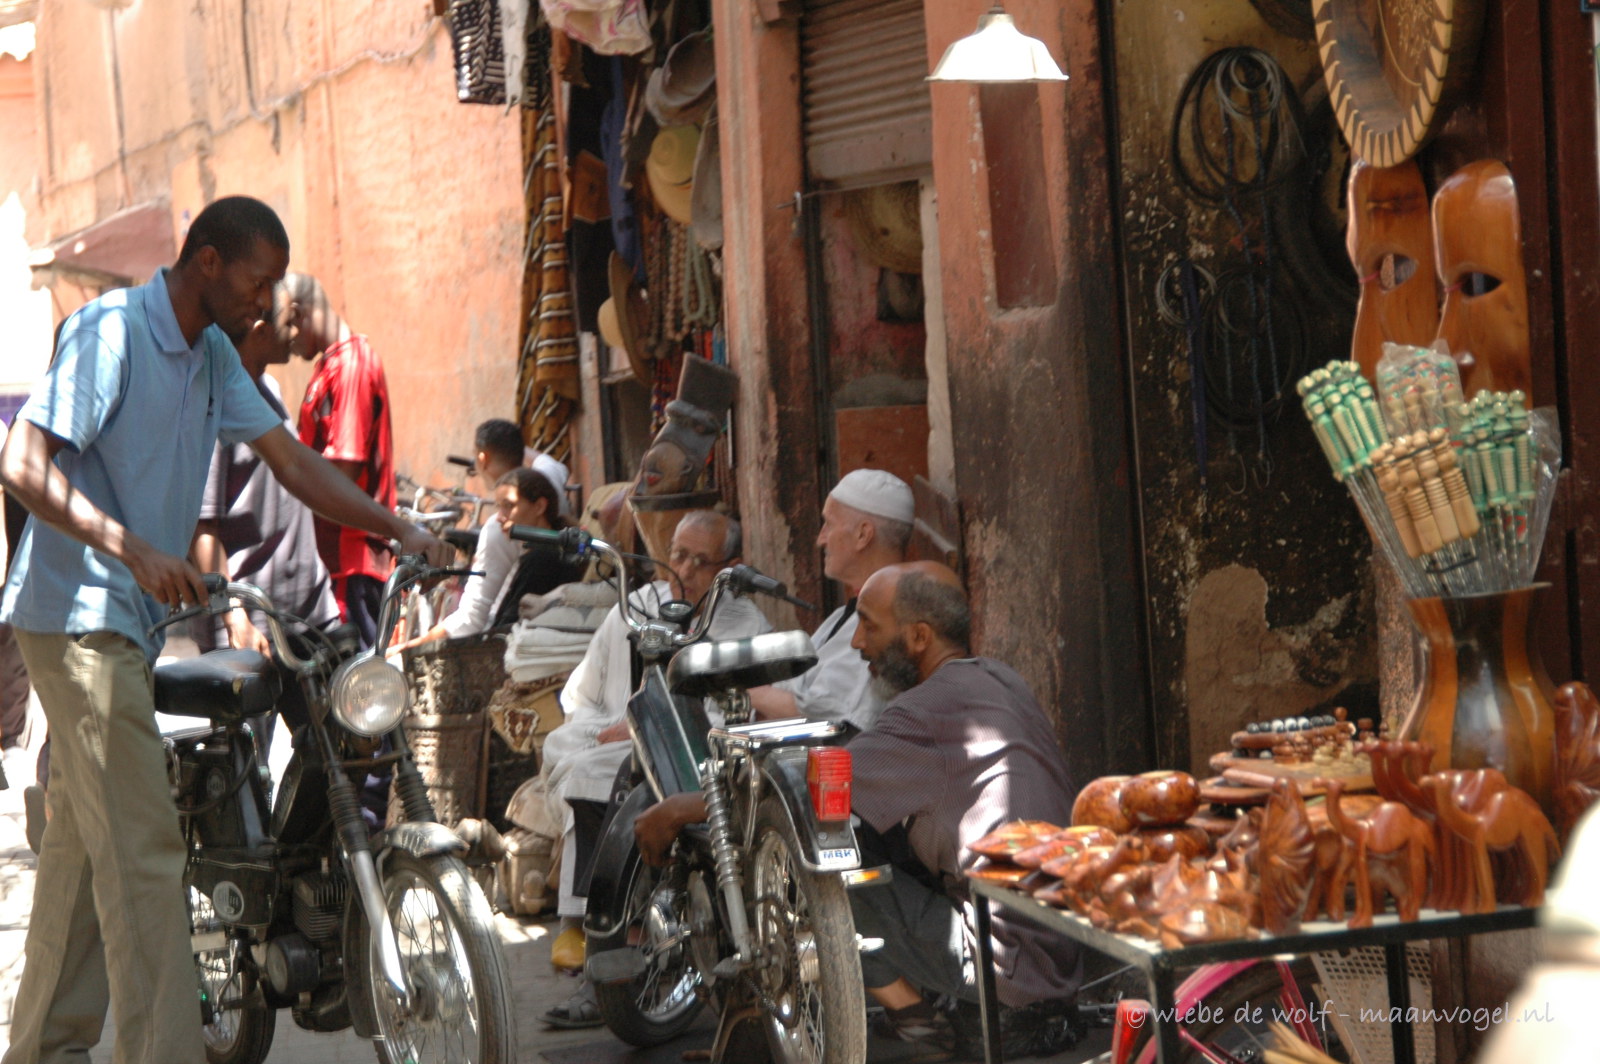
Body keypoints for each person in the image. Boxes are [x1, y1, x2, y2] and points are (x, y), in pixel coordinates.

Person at [0, 195, 450, 1064]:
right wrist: (131, 547)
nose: (268, 300)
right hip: (76, 617)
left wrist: (399, 528)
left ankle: (44, 1048)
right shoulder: (112, 333)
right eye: (259, 279)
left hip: (125, 623)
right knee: (145, 852)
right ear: (207, 260)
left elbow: (294, 463)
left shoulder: (212, 355)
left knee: (83, 851)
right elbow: (20, 463)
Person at [635, 562, 1082, 1057]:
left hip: (1005, 966)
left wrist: (676, 810)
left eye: (869, 625)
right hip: (1057, 956)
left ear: (918, 637)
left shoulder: (922, 714)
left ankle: (916, 1021)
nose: (856, 642)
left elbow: (800, 791)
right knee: (870, 841)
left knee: (833, 868)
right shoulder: (999, 678)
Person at [542, 510, 771, 1028]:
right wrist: (620, 724)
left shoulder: (744, 623)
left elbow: (731, 713)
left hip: (694, 752)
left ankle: (602, 939)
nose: (683, 571)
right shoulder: (639, 603)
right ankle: (591, 925)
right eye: (678, 555)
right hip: (620, 736)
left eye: (700, 561)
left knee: (601, 774)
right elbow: (585, 694)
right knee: (575, 751)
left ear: (729, 566)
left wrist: (647, 726)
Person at [188, 287, 341, 734]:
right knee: (248, 764)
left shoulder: (269, 389)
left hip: (307, 613)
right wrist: (232, 615)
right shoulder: (214, 403)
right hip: (249, 623)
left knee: (337, 747)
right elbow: (202, 527)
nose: (296, 333)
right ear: (259, 329)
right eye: (288, 322)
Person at [749, 468, 912, 732]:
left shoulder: (887, 623)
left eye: (829, 525)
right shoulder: (844, 615)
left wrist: (751, 694)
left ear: (863, 535)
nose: (820, 539)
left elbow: (836, 719)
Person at [288, 271, 396, 648]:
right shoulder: (331, 364)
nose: (287, 343)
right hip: (333, 556)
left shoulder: (351, 366)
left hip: (353, 557)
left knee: (357, 678)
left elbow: (344, 469)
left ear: (298, 313)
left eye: (285, 325)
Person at [394, 418, 526, 651]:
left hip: (496, 641)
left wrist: (409, 647)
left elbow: (471, 619)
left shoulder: (500, 527)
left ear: (482, 459)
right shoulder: (545, 492)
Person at [486, 466, 587, 627]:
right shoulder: (544, 551)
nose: (499, 517)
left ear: (539, 506)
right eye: (499, 506)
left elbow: (509, 625)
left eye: (509, 505)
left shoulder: (543, 558)